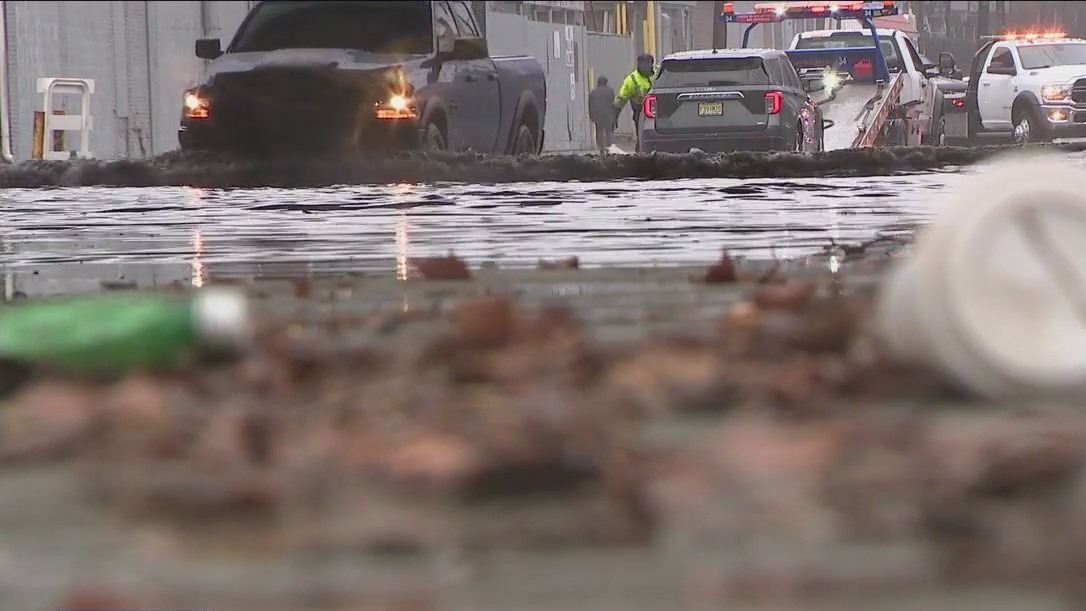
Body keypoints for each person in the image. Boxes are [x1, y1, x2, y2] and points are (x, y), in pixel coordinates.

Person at [614, 53, 655, 152]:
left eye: (647, 63)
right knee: (642, 137)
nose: (644, 66)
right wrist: (615, 116)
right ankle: (640, 154)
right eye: (642, 63)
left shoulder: (659, 73)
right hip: (640, 113)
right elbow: (621, 98)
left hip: (661, 111)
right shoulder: (631, 80)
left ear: (652, 63)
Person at [588, 76, 616, 153]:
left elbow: (590, 105)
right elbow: (614, 103)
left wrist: (592, 115)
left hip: (598, 115)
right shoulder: (610, 91)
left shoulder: (593, 92)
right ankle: (609, 146)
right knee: (609, 131)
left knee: (599, 131)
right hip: (608, 114)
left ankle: (601, 148)